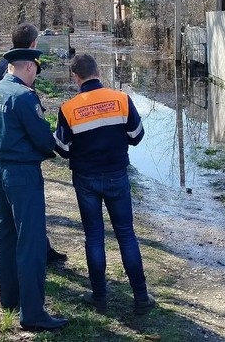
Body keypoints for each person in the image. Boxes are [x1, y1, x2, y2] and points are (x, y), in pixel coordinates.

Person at [54, 53, 156, 315]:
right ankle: (141, 297)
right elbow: (136, 136)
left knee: (94, 237)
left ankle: (99, 297)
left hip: (86, 179)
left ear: (76, 78)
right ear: (98, 72)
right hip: (116, 175)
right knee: (126, 235)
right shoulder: (121, 99)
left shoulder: (68, 109)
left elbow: (63, 149)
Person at [0, 48, 67, 332]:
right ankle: (32, 313)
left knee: (5, 235)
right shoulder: (23, 97)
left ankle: (9, 299)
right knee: (30, 242)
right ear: (29, 68)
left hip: (0, 170)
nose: (34, 79)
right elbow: (44, 140)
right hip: (23, 175)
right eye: (35, 72)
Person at [0, 23, 68, 265]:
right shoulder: (19, 69)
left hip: (6, 149)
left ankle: (42, 250)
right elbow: (22, 107)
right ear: (34, 43)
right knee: (25, 216)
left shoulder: (4, 64)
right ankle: (36, 259)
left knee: (15, 217)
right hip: (20, 155)